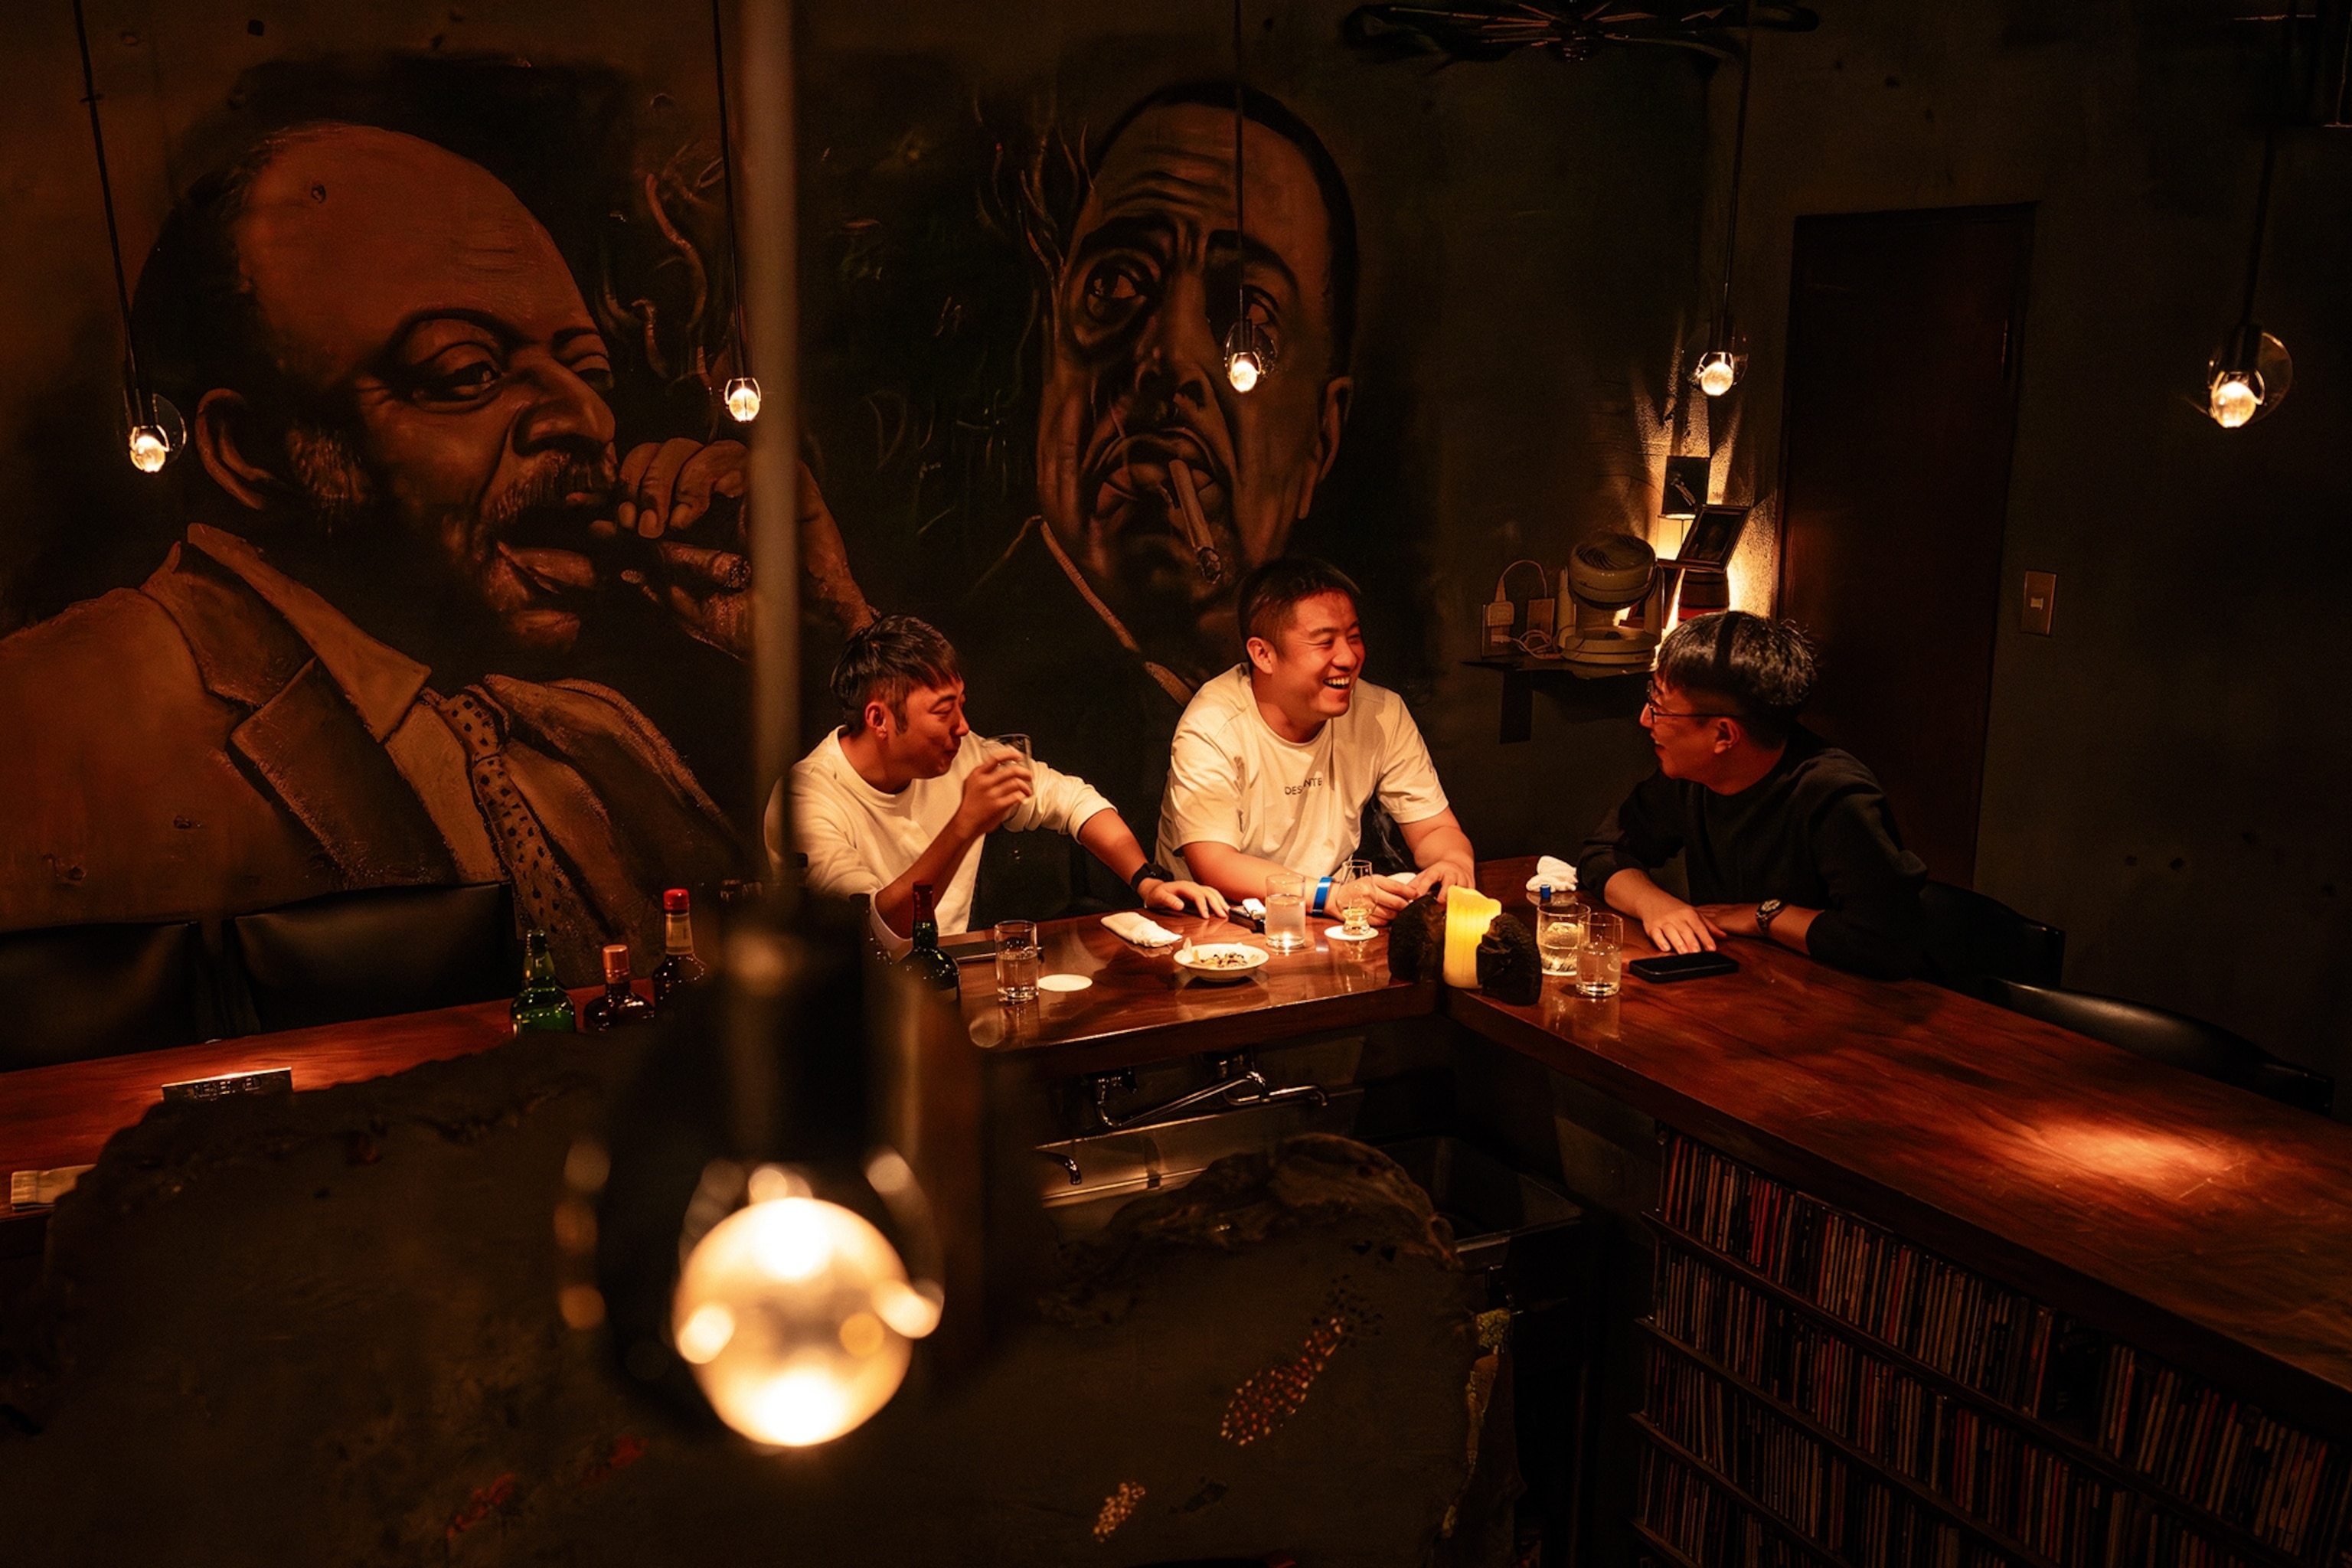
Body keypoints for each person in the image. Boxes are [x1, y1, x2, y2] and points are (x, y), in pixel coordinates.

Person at [0, 124, 864, 979]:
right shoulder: (42, 729)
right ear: (251, 450)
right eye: (464, 374)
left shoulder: (600, 737)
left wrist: (828, 639)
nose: (587, 421)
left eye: (590, 374)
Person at [924, 84, 1363, 920]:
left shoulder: (1338, 708)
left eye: (1247, 318)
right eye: (1118, 286)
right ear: (1050, 351)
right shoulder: (974, 668)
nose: (1167, 359)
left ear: (1321, 436)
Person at [775, 616, 1226, 938]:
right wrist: (964, 826)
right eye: (943, 711)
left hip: (948, 973)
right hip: (862, 1011)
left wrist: (1147, 881)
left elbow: (1073, 801)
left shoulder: (960, 754)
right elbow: (877, 932)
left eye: (962, 704)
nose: (963, 727)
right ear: (879, 719)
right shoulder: (806, 800)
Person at [1576, 611, 1926, 978]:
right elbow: (1605, 851)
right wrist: (1657, 906)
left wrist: (1764, 916)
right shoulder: (1692, 775)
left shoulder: (1833, 795)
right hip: (1739, 982)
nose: (1646, 719)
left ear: (1724, 735)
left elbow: (1886, 942)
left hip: (1837, 1000)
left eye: (1660, 707)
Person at [1158, 557, 1472, 924]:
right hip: (1212, 923)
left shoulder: (1381, 712)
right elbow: (1215, 863)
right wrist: (1331, 895)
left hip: (1326, 916)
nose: (1349, 657)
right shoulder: (1213, 725)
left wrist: (1453, 864)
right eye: (1325, 642)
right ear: (1263, 654)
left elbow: (1435, 828)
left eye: (1353, 637)